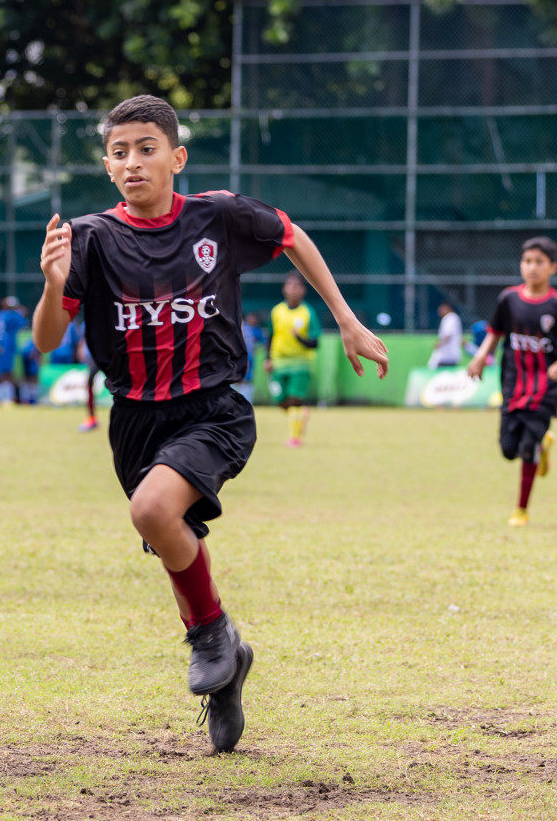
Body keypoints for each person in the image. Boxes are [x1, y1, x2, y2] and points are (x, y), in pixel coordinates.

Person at [31, 95, 388, 753]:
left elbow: (290, 235)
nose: (132, 161)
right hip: (136, 419)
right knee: (169, 529)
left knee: (152, 512)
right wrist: (55, 285)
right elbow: (48, 340)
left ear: (176, 157)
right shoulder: (90, 238)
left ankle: (211, 635)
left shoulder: (216, 216)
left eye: (146, 148)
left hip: (213, 407)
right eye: (119, 152)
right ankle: (225, 669)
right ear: (106, 166)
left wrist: (344, 317)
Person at [466, 236, 557, 527]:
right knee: (508, 450)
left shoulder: (555, 304)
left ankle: (521, 510)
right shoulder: (509, 299)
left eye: (539, 262)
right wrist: (482, 356)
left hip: (545, 389)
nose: (532, 267)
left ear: (552, 267)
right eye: (527, 261)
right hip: (513, 385)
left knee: (527, 448)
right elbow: (495, 331)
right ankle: (543, 446)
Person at [265, 272, 321, 448]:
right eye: (290, 286)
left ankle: (295, 438)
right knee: (281, 401)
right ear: (284, 289)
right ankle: (301, 415)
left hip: (300, 364)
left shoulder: (308, 312)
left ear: (303, 290)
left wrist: (299, 338)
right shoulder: (276, 311)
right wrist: (267, 358)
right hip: (279, 363)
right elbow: (270, 336)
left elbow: (314, 342)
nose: (293, 290)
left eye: (297, 286)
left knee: (295, 400)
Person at [236, 312, 266, 401]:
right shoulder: (239, 327)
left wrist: (255, 348)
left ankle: (246, 401)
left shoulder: (256, 330)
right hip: (235, 357)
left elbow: (263, 342)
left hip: (248, 358)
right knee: (233, 379)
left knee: (246, 380)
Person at [430, 301, 464, 369]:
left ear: (447, 307)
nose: (439, 310)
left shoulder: (450, 318)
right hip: (452, 355)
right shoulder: (454, 318)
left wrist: (440, 344)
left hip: (446, 356)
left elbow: (448, 335)